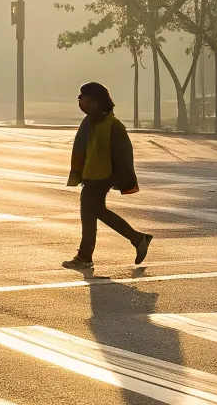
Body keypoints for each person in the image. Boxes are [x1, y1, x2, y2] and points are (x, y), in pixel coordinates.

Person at [64, 81, 151, 269]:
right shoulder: (90, 122)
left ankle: (86, 256)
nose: (79, 100)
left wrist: (123, 181)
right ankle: (137, 239)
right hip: (90, 175)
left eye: (83, 96)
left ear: (96, 100)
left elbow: (124, 156)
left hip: (102, 177)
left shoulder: (113, 126)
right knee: (93, 213)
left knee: (90, 213)